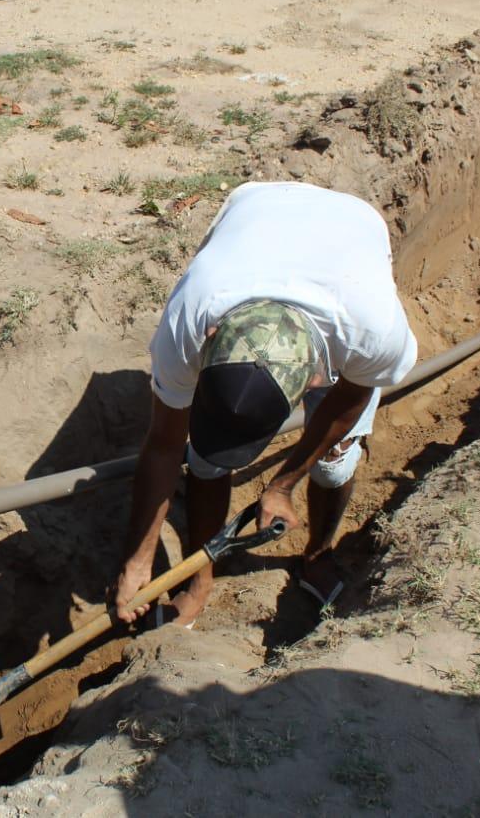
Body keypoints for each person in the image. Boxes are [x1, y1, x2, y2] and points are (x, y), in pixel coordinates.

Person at [114, 181, 417, 626]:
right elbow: (163, 444)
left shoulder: (372, 332)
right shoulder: (191, 317)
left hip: (352, 225)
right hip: (258, 206)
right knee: (205, 461)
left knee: (334, 464)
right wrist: (137, 561)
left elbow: (346, 405)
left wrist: (282, 485)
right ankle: (199, 582)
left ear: (315, 381)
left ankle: (318, 554)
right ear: (212, 338)